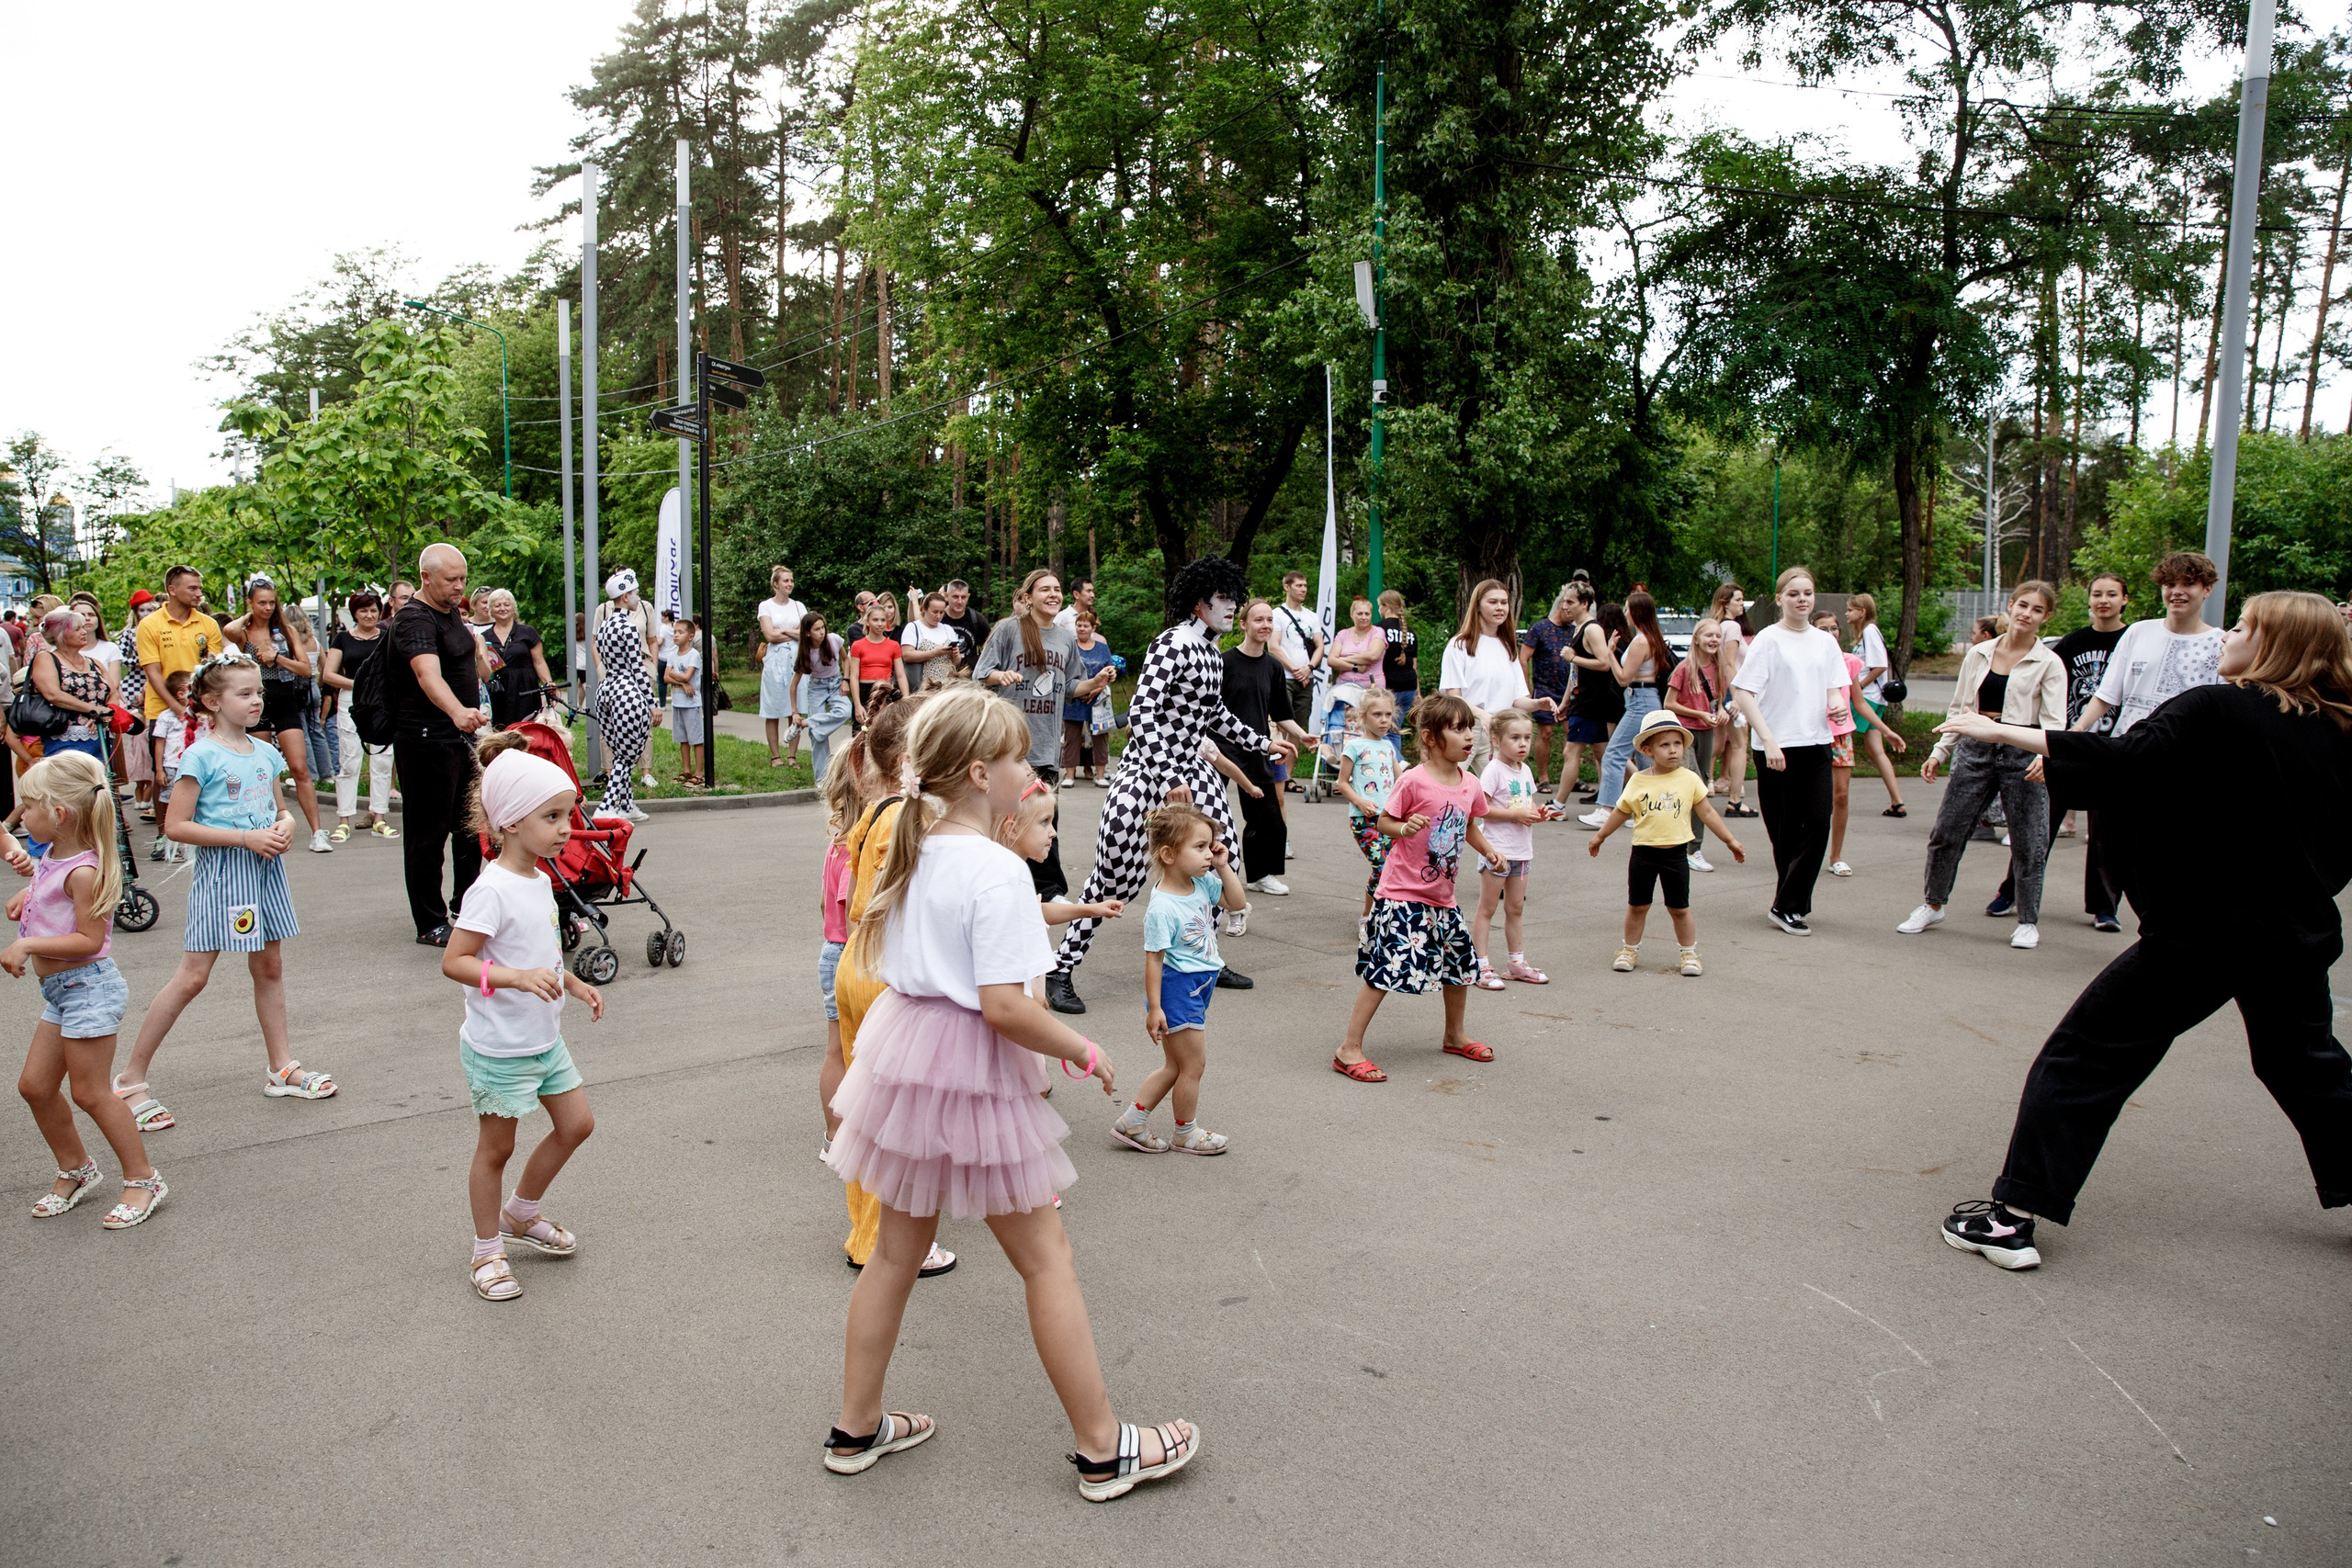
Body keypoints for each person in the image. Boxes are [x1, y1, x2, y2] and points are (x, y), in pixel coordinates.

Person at [821, 686, 1198, 1501]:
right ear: (982, 772)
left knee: (894, 1250)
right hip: (971, 1064)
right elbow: (1005, 1005)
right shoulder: (993, 867)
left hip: (907, 1053)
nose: (1030, 770)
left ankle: (855, 1426)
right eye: (1021, 757)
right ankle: (1104, 1447)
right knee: (1045, 1258)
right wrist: (1084, 1047)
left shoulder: (914, 847)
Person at [1936, 590, 2352, 1271]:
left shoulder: (2220, 708)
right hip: (2295, 935)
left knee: (2085, 1056)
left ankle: (2010, 1219)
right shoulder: (2339, 729)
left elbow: (2126, 760)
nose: (2226, 638)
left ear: (2277, 645)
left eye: (2244, 627)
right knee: (2307, 1067)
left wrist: (1999, 731)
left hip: (2204, 936)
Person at [1046, 557, 1291, 1015]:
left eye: (1233, 598)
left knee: (1221, 860)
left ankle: (1204, 958)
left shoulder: (1212, 654)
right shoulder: (1173, 643)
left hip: (1193, 770)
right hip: (1149, 767)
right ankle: (1061, 968)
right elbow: (1141, 713)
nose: (1231, 607)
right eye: (1223, 598)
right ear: (1199, 603)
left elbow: (1213, 715)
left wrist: (1263, 743)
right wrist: (1169, 774)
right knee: (1116, 874)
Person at [117, 652, 334, 1128]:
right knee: (193, 977)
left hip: (264, 871)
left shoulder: (265, 750)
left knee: (270, 966)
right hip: (224, 875)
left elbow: (280, 808)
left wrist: (288, 824)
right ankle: (129, 1080)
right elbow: (176, 825)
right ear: (212, 702)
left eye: (258, 692)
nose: (257, 700)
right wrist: (245, 838)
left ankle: (281, 1067)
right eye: (244, 693)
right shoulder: (200, 754)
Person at [443, 733, 605, 1303]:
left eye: (568, 815)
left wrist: (573, 982)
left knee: (576, 1125)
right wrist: (512, 978)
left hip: (543, 1036)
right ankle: (487, 1249)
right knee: (496, 1150)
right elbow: (455, 962)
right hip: (499, 1046)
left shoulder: (539, 879)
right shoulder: (490, 890)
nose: (566, 828)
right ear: (510, 822)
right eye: (553, 817)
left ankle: (520, 1213)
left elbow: (541, 956)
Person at [829, 696, 958, 1278]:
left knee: (869, 1112)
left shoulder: (876, 811)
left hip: (859, 962)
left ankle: (867, 1231)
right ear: (914, 759)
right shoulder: (910, 818)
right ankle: (887, 1239)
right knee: (896, 1117)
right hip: (887, 972)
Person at [7, 750, 164, 1228]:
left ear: (58, 814)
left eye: (28, 807)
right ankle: (77, 1168)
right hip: (61, 991)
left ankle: (143, 1179)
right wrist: (25, 896)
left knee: (91, 1093)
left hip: (87, 988)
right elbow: (45, 893)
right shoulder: (52, 856)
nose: (21, 816)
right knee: (35, 1087)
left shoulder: (83, 870)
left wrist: (28, 942)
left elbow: (89, 940)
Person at [1333, 695, 1506, 1082]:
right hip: (1402, 894)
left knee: (1462, 967)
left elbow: (1470, 826)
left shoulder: (1470, 784)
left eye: (1469, 729)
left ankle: (1454, 1034)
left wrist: (1490, 850)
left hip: (1442, 896)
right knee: (1386, 969)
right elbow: (1384, 821)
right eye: (1458, 729)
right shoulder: (1413, 780)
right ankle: (1349, 1048)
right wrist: (1403, 827)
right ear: (1430, 737)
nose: (1468, 737)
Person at [1897, 582, 2064, 947]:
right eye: (2022, 605)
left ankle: (2027, 920)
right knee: (1947, 831)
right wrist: (1940, 751)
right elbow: (1960, 708)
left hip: (2022, 750)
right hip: (1974, 748)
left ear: (2046, 617)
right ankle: (1932, 903)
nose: (2027, 614)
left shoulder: (2049, 663)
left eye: (2037, 610)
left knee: (2029, 839)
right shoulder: (1980, 653)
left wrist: (2043, 758)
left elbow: (2054, 723)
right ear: (2010, 605)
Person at [1993, 571, 2132, 924]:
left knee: (2106, 832)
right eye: (2097, 594)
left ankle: (2104, 908)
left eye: (2111, 594)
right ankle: (2010, 891)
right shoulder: (2071, 643)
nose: (2103, 600)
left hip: (2114, 747)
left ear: (2124, 600)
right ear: (2089, 601)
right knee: (2039, 824)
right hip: (2067, 744)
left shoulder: (2133, 640)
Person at [1108, 802, 1244, 1156]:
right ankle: (1186, 1132)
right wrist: (1155, 1008)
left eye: (1209, 845)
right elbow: (1154, 960)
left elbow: (1237, 901)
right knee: (1193, 1065)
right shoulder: (1163, 907)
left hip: (1196, 987)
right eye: (1199, 847)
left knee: (1176, 1065)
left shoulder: (1202, 883)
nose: (1207, 853)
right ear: (1168, 854)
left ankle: (1132, 1122)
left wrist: (1223, 866)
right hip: (1178, 990)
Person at [1730, 567, 1850, 936]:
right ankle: (1788, 907)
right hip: (1775, 746)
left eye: (1808, 593)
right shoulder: (1768, 639)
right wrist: (1768, 740)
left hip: (1815, 743)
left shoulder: (1825, 642)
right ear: (1780, 598)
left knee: (1817, 821)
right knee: (1783, 830)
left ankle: (1787, 903)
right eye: (1794, 593)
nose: (1802, 599)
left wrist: (1836, 706)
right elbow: (1743, 692)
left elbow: (1833, 687)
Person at [1584, 710, 1746, 977]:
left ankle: (1689, 954)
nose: (1673, 750)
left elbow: (1706, 813)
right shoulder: (1638, 780)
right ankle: (1629, 949)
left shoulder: (1689, 779)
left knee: (1679, 908)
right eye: (1664, 745)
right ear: (1648, 750)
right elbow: (1621, 811)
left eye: (1677, 744)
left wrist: (1730, 840)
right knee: (1638, 905)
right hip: (1643, 854)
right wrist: (1600, 836)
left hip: (1676, 856)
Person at [390, 546, 496, 942]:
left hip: (458, 736)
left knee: (469, 827)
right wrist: (456, 710)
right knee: (428, 834)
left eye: (463, 578)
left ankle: (465, 907)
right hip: (425, 738)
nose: (459, 587)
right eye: (451, 580)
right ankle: (430, 921)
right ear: (426, 578)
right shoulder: (414, 619)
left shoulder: (450, 612)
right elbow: (427, 674)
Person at [974, 570, 1078, 899]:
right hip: (1010, 747)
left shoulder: (1066, 639)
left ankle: (1049, 890)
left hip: (1047, 746)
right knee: (1005, 819)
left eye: (1057, 589)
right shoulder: (1008, 629)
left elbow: (1074, 686)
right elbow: (981, 674)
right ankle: (997, 884)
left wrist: (1098, 682)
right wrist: (1000, 675)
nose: (1053, 594)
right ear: (1028, 596)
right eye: (1044, 589)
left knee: (1045, 820)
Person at [222, 575, 332, 853]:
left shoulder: (285, 630)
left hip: (283, 695)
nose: (268, 608)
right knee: (261, 769)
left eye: (272, 602)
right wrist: (249, 615)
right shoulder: (244, 632)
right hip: (255, 699)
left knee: (299, 767)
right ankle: (264, 828)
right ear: (250, 603)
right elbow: (227, 630)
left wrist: (277, 657)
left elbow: (307, 670)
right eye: (261, 603)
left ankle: (318, 831)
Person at [1216, 599, 1312, 899]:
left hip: (1257, 748)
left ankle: (1260, 876)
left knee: (1268, 817)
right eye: (1258, 620)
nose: (1265, 625)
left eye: (1269, 620)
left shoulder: (1272, 666)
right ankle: (1199, 873)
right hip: (1219, 748)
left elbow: (1281, 712)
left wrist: (1303, 736)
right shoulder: (1224, 662)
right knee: (1206, 814)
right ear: (1243, 624)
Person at [1817, 614, 1908, 879]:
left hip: (1841, 736)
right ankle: (1803, 851)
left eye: (1835, 628)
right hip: (1811, 736)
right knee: (1810, 798)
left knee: (1841, 795)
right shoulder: (1805, 661)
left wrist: (1887, 731)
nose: (1831, 632)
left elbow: (1860, 703)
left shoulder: (1850, 662)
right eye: (1824, 629)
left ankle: (1836, 856)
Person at [1440, 579, 1555, 775]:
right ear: (1477, 606)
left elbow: (1517, 700)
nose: (1500, 607)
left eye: (1504, 602)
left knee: (1505, 792)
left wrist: (1537, 704)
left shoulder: (1509, 648)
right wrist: (1482, 714)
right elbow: (1453, 697)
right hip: (1465, 729)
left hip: (1499, 731)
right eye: (1493, 602)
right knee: (1450, 788)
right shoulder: (1459, 645)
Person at [1579, 592, 1673, 826]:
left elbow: (1623, 678)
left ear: (1637, 611)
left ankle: (1607, 809)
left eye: (1628, 608)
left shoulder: (1642, 641)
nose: (1625, 612)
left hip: (1639, 699)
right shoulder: (1649, 637)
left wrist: (1609, 653)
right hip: (1643, 698)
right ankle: (1646, 810)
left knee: (1613, 754)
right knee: (1644, 758)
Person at [1471, 711, 1548, 987]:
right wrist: (1515, 816)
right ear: (1496, 740)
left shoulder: (1525, 770)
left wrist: (1538, 814)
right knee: (1487, 908)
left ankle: (1516, 962)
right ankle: (1480, 965)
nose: (1523, 744)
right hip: (1497, 850)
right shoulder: (1493, 771)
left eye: (1527, 738)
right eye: (1515, 738)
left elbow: (1524, 807)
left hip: (1522, 851)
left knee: (1515, 908)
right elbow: (1480, 809)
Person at [135, 568, 222, 797]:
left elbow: (214, 668)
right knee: (163, 773)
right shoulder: (149, 625)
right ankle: (164, 831)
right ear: (172, 590)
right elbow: (152, 672)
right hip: (163, 710)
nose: (199, 594)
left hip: (202, 710)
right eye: (192, 588)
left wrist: (202, 707)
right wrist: (176, 708)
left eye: (200, 588)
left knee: (205, 771)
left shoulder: (208, 624)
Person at [322, 591, 397, 842]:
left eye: (374, 610)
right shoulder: (342, 639)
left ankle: (379, 817)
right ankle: (344, 819)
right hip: (350, 701)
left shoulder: (386, 637)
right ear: (355, 612)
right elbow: (329, 675)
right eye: (364, 610)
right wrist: (360, 684)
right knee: (350, 759)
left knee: (383, 759)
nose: (369, 615)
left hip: (381, 702)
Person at [589, 570, 656, 823]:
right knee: (628, 753)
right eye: (636, 593)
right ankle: (607, 806)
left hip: (606, 689)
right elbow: (637, 668)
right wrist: (652, 703)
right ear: (625, 596)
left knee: (619, 751)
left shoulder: (606, 624)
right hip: (626, 691)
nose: (638, 597)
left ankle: (626, 804)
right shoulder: (628, 627)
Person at [1664, 618, 1730, 872]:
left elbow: (1717, 700)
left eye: (1717, 636)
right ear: (1697, 639)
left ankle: (1688, 844)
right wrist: (1698, 714)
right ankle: (1692, 848)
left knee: (1699, 784)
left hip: (1707, 731)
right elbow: (1669, 703)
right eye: (1709, 636)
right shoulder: (1684, 668)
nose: (1714, 640)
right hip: (1684, 732)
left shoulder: (1718, 668)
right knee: (1695, 785)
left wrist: (1720, 711)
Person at [1335, 687, 1400, 919]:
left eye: (1388, 715)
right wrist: (1360, 802)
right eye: (1377, 715)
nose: (1384, 720)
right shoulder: (1354, 746)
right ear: (1363, 716)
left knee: (1392, 869)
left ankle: (1385, 915)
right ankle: (1367, 916)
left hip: (1389, 819)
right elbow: (1342, 782)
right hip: (1364, 819)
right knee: (1381, 868)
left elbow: (1399, 779)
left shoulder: (1388, 746)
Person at [1842, 594, 1908, 817]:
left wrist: (1857, 685)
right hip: (1873, 697)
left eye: (1851, 610)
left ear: (1862, 612)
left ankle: (1837, 794)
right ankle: (1897, 802)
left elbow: (1879, 666)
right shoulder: (1867, 633)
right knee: (1875, 750)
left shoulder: (1869, 631)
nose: (1847, 614)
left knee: (1840, 742)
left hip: (1867, 697)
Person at [28, 606, 118, 766]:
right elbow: (53, 695)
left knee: (101, 786)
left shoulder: (93, 663)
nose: (84, 632)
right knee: (70, 787)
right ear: (60, 634)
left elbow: (113, 693)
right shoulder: (46, 658)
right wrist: (93, 709)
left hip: (100, 737)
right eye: (77, 629)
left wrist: (108, 713)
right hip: (65, 739)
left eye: (83, 627)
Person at [1564, 597, 1626, 802]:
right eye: (1564, 601)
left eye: (1570, 601)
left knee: (1571, 751)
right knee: (1607, 755)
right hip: (1582, 700)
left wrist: (1573, 657)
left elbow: (1604, 663)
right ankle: (1615, 799)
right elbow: (1575, 672)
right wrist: (1566, 701)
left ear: (1584, 603)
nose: (1565, 606)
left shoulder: (1592, 629)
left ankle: (1559, 803)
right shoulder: (1579, 628)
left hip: (1591, 702)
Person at [1522, 586, 1581, 791]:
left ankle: (1572, 778)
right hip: (1545, 687)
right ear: (1563, 608)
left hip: (1568, 688)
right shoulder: (1539, 628)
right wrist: (1527, 688)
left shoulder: (1574, 631)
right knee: (1546, 732)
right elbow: (1524, 658)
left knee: (1571, 732)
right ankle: (1544, 778)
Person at [1704, 582, 1755, 814]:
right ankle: (1735, 800)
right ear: (1726, 603)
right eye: (1738, 600)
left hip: (1720, 690)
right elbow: (1729, 664)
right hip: (1731, 691)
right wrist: (1736, 697)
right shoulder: (1732, 627)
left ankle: (1697, 778)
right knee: (1739, 745)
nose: (1741, 604)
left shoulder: (1718, 626)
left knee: (1715, 744)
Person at [1270, 570, 1324, 757]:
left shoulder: (1312, 616)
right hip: (1285, 677)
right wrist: (1294, 669)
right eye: (1299, 585)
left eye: (1305, 586)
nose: (1303, 589)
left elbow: (1320, 647)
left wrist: (1308, 668)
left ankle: (1288, 778)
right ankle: (1278, 774)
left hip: (1306, 679)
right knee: (1283, 724)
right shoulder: (1277, 614)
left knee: (1299, 728)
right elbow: (1274, 647)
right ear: (1287, 587)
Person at [793, 614, 852, 784]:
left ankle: (808, 723)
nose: (822, 632)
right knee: (817, 736)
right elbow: (793, 685)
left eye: (823, 628)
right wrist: (795, 712)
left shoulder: (833, 640)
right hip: (816, 687)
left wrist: (845, 680)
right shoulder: (806, 652)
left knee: (845, 711)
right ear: (807, 633)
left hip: (835, 683)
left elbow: (845, 659)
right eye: (817, 629)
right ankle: (823, 781)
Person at [482, 590, 553, 730]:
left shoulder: (527, 632)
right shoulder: (484, 637)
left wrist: (548, 683)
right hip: (498, 690)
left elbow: (539, 661)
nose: (502, 608)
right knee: (501, 730)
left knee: (527, 728)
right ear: (490, 610)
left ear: (513, 608)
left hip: (524, 687)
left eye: (506, 604)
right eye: (497, 605)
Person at [758, 566, 808, 766]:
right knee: (773, 707)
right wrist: (792, 631)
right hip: (775, 661)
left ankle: (792, 755)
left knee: (795, 707)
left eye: (792, 580)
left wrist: (783, 630)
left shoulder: (798, 606)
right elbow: (769, 635)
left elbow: (805, 632)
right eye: (786, 581)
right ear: (776, 583)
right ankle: (775, 756)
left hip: (796, 658)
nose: (790, 584)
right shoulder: (766, 606)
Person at [1063, 609, 1117, 785]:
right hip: (1073, 698)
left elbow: (1110, 671)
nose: (1081, 629)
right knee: (1071, 737)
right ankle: (1069, 775)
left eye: (1086, 626)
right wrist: (1079, 690)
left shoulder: (1102, 648)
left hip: (1098, 699)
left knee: (1100, 737)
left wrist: (1095, 689)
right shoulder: (1070, 645)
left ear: (1093, 628)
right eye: (1079, 625)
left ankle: (1100, 775)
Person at [848, 602, 909, 728]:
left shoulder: (894, 645)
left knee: (883, 734)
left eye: (882, 620)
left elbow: (901, 675)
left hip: (884, 691)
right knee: (861, 735)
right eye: (875, 620)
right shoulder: (858, 645)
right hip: (864, 691)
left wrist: (906, 699)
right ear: (867, 622)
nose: (880, 624)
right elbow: (854, 676)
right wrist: (858, 705)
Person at [664, 615, 707, 784]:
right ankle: (686, 770)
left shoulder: (693, 655)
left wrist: (674, 674)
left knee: (696, 738)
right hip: (678, 702)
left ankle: (699, 772)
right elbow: (666, 677)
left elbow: (688, 675)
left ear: (690, 636)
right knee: (682, 738)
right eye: (674, 632)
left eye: (680, 632)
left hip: (692, 704)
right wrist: (683, 684)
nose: (676, 635)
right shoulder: (672, 654)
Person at [1376, 588, 1419, 746]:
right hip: (1409, 687)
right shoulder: (1411, 632)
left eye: (1379, 606)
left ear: (1385, 607)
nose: (1379, 610)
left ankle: (1398, 764)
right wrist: (1418, 693)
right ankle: (1397, 768)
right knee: (1395, 729)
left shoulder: (1379, 629)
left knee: (1380, 730)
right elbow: (1414, 665)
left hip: (1390, 687)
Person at [898, 592, 960, 694]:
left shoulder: (948, 629)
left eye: (942, 612)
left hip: (947, 686)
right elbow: (907, 655)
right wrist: (933, 653)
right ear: (924, 609)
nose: (938, 616)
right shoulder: (913, 627)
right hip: (923, 687)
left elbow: (956, 663)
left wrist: (955, 655)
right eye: (935, 612)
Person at [933, 579, 993, 669]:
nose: (960, 601)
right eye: (955, 597)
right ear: (946, 596)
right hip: (942, 673)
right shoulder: (938, 618)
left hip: (970, 676)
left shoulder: (976, 619)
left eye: (963, 597)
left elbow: (991, 645)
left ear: (968, 597)